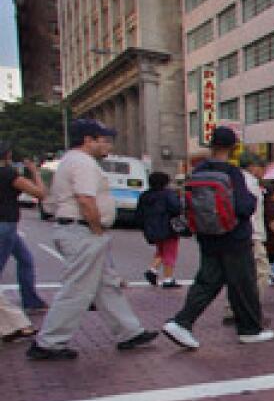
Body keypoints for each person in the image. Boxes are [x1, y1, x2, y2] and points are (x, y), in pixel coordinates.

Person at [28, 119, 158, 360]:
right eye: (104, 140)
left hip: (78, 230)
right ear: (88, 140)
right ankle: (49, 342)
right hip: (82, 231)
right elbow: (86, 200)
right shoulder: (83, 163)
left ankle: (129, 332)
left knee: (106, 286)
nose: (108, 145)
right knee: (77, 288)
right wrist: (97, 228)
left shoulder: (72, 161)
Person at [162, 126, 274, 349]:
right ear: (233, 147)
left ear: (211, 145)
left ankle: (182, 321)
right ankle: (249, 329)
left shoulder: (198, 170)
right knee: (243, 282)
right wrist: (253, 200)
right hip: (234, 236)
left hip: (207, 235)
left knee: (208, 280)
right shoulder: (232, 173)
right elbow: (243, 207)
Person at [0, 142, 49, 313]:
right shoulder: (9, 174)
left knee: (25, 260)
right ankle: (27, 303)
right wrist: (35, 172)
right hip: (6, 225)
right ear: (7, 155)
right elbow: (40, 194)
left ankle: (30, 300)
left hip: (8, 227)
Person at [224, 153, 271, 323]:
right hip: (251, 234)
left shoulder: (233, 180)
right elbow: (249, 211)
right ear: (252, 166)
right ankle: (250, 309)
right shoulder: (249, 183)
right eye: (262, 167)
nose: (263, 171)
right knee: (261, 272)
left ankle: (232, 308)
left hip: (236, 234)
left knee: (238, 273)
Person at [135, 171, 184, 289]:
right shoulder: (168, 194)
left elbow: (139, 213)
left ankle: (152, 270)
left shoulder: (145, 195)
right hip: (168, 227)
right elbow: (176, 208)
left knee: (161, 251)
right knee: (170, 252)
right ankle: (168, 279)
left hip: (152, 229)